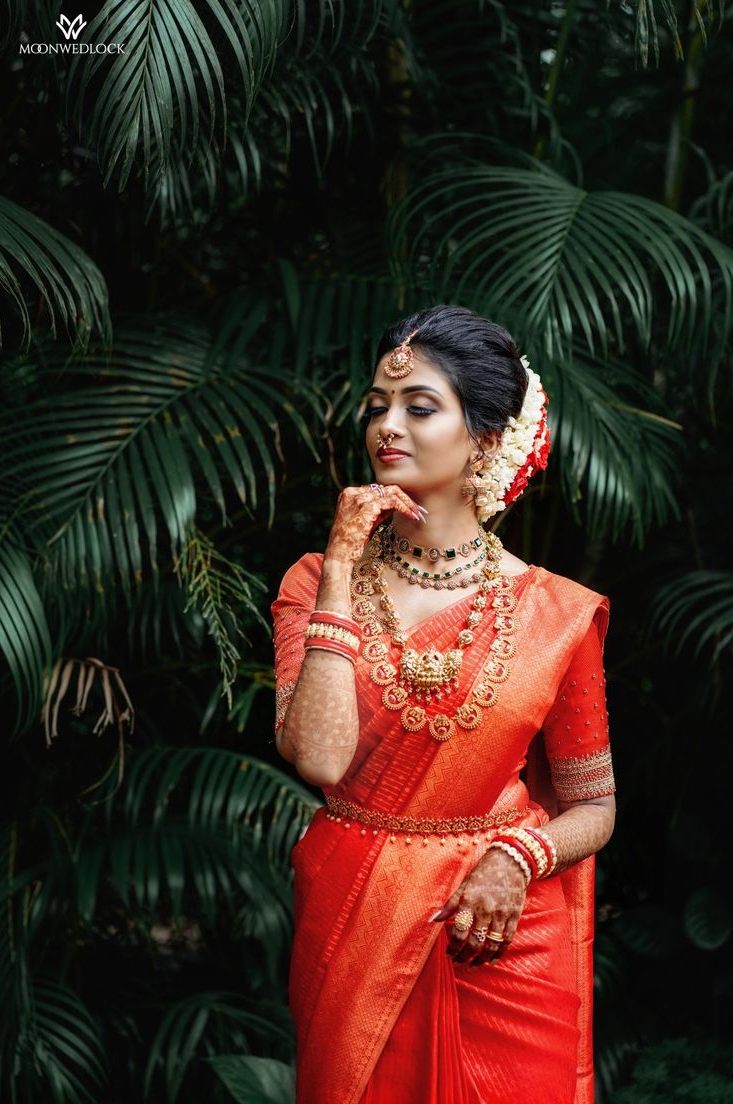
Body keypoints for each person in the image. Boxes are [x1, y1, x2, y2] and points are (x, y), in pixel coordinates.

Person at [271, 305, 616, 1104]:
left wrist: (516, 857)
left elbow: (594, 805)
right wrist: (341, 566)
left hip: (500, 931)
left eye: (419, 407)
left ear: (488, 436)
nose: (386, 425)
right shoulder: (315, 581)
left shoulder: (557, 615)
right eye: (376, 406)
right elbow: (320, 759)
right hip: (354, 914)